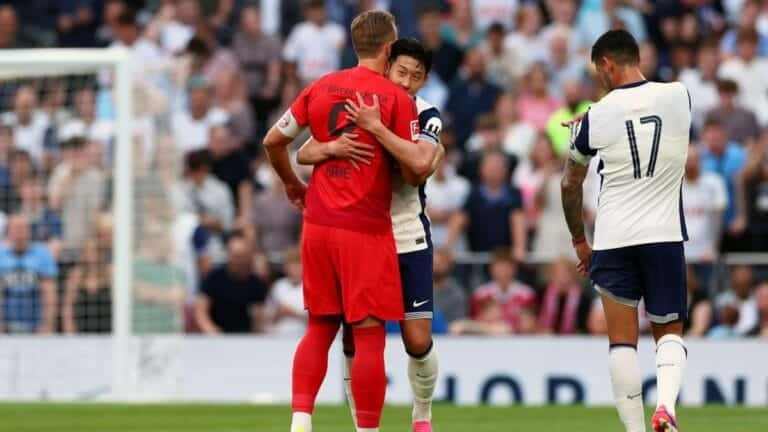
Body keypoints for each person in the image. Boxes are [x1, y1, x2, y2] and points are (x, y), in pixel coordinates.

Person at [262, 11, 425, 432]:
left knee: (320, 326)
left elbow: (274, 141)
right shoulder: (395, 98)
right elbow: (412, 171)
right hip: (364, 228)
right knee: (369, 335)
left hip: (317, 223)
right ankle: (367, 429)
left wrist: (292, 183)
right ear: (389, 49)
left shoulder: (320, 87)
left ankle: (301, 421)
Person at [296, 38, 443, 432]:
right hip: (360, 232)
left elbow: (418, 168)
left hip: (405, 232)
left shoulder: (427, 114)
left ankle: (422, 412)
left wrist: (377, 129)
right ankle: (359, 424)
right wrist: (334, 147)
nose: (408, 82)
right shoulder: (361, 101)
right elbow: (305, 152)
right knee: (354, 336)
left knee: (416, 340)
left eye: (416, 76)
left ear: (425, 79)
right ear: (388, 65)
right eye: (401, 72)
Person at [561, 30, 691, 432]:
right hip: (664, 234)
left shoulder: (595, 116)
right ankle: (665, 407)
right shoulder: (679, 95)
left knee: (621, 342)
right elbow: (643, 115)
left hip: (614, 240)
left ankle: (635, 430)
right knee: (668, 332)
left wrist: (580, 241)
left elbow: (570, 184)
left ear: (606, 65)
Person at [194, 231, 268, 334]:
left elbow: (260, 317)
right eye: (234, 255)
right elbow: (200, 310)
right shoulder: (214, 277)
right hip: (216, 337)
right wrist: (211, 330)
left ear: (249, 256)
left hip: (247, 339)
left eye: (241, 256)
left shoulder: (256, 283)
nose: (237, 260)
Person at [0, 214, 57, 334]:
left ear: (30, 231)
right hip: (6, 326)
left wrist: (47, 325)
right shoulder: (1, 256)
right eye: (16, 229)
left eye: (23, 229)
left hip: (36, 327)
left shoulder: (42, 254)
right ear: (8, 233)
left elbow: (50, 292)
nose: (20, 233)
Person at [270, 246, 306, 335]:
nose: (294, 269)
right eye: (291, 265)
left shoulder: (313, 287)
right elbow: (269, 315)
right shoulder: (278, 286)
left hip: (302, 334)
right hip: (279, 334)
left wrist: (293, 313)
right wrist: (278, 312)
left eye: (298, 265)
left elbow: (319, 321)